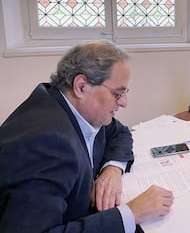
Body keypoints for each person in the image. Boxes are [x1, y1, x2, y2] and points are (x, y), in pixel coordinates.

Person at [0, 40, 174, 232]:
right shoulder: (46, 143)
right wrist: (132, 213)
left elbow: (120, 132)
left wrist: (112, 170)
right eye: (118, 93)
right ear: (81, 86)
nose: (124, 102)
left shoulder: (70, 107)